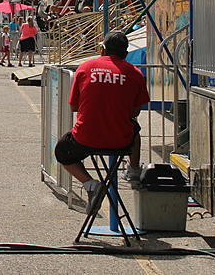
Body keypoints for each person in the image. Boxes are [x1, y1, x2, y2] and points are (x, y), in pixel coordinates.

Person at [55, 31, 150, 212]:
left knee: (62, 151)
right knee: (135, 129)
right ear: (125, 53)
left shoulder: (85, 68)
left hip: (85, 138)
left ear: (103, 50)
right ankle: (134, 170)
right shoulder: (135, 74)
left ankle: (90, 184)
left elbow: (73, 106)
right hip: (120, 140)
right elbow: (136, 110)